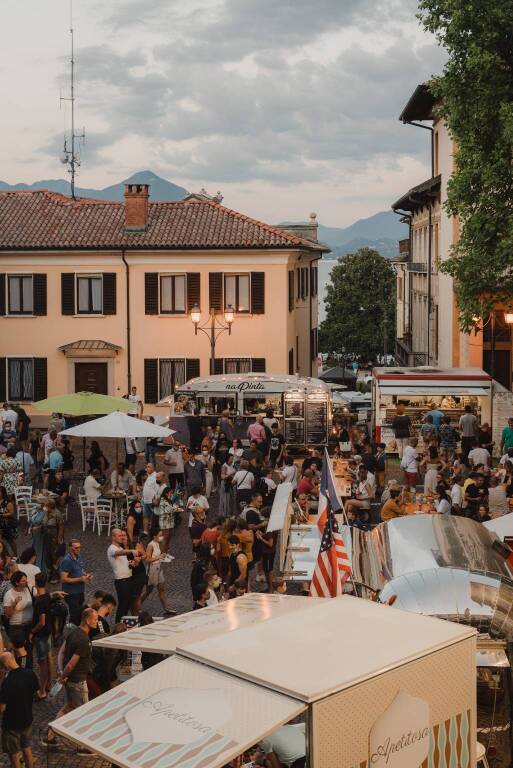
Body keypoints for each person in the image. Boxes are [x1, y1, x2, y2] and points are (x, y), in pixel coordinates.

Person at [43, 608, 99, 753]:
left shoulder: (72, 633)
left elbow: (61, 653)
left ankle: (50, 736)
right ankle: (82, 746)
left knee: (69, 707)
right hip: (78, 682)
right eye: (95, 619)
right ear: (87, 620)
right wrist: (62, 676)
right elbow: (71, 664)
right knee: (83, 713)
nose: (97, 622)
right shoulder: (84, 640)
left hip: (70, 681)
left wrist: (61, 672)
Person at [0, 651, 39, 768]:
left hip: (11, 724)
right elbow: (36, 692)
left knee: (14, 754)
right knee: (26, 748)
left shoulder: (8, 681)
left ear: (5, 665)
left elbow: (2, 708)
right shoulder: (30, 673)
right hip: (27, 719)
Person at [141, 527, 175, 615]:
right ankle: (137, 605)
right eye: (160, 535)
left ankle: (166, 608)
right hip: (152, 569)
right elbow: (147, 559)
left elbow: (158, 555)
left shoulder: (157, 543)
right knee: (148, 591)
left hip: (159, 567)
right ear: (154, 536)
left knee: (162, 589)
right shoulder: (150, 545)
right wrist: (159, 557)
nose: (161, 537)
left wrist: (162, 555)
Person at [107, 529, 137, 622]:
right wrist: (131, 551)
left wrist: (130, 563)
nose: (122, 537)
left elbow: (123, 561)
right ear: (113, 537)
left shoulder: (120, 548)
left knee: (127, 604)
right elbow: (118, 553)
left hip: (128, 579)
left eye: (122, 535)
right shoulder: (112, 548)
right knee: (123, 604)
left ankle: (123, 623)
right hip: (122, 581)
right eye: (119, 536)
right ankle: (118, 624)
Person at [3, 572, 34, 657]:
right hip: (17, 627)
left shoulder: (29, 588)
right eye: (23, 581)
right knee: (21, 653)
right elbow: (8, 615)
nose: (26, 582)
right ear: (17, 583)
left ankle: (28, 665)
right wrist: (14, 604)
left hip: (29, 626)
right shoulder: (9, 594)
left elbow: (40, 596)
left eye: (26, 580)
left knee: (29, 650)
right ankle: (20, 665)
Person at [60, 539, 91, 613]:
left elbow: (80, 569)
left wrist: (86, 575)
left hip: (80, 591)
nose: (79, 549)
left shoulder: (78, 556)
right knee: (75, 614)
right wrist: (80, 579)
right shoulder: (67, 561)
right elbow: (63, 579)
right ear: (70, 548)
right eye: (76, 548)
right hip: (71, 594)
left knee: (79, 613)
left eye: (79, 547)